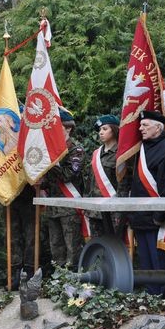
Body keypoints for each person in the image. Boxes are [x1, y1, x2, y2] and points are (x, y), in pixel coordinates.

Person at [128, 111, 165, 295]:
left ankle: (163, 297)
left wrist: (159, 215)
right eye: (140, 125)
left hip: (157, 217)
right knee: (146, 261)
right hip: (140, 215)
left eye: (145, 125)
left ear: (158, 127)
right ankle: (151, 295)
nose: (140, 128)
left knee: (161, 260)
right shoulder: (141, 148)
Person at [41, 107, 86, 268]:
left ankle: (73, 282)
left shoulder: (76, 150)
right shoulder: (51, 150)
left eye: (57, 126)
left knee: (72, 247)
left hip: (69, 206)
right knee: (56, 246)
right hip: (53, 205)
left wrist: (53, 162)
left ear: (68, 128)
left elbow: (67, 175)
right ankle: (58, 281)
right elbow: (48, 180)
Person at [86, 114, 120, 236]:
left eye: (105, 129)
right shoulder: (96, 154)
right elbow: (89, 181)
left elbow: (124, 184)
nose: (101, 132)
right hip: (95, 210)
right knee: (97, 248)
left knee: (114, 248)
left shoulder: (121, 154)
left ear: (115, 130)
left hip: (113, 210)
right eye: (100, 130)